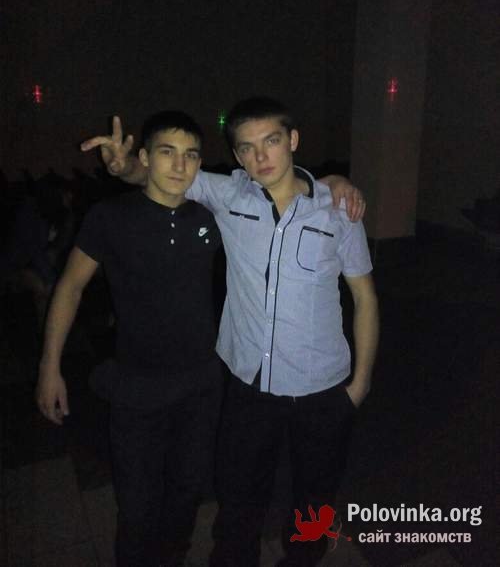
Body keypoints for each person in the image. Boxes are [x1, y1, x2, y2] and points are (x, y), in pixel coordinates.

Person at [82, 98, 377, 566]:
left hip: (323, 387)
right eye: (247, 147)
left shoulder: (338, 210)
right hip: (248, 385)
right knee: (239, 493)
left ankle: (303, 559)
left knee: (316, 495)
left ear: (292, 140)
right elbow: (163, 177)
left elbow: (365, 298)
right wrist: (124, 168)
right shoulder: (229, 196)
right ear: (237, 156)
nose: (261, 156)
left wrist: (360, 384)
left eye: (271, 141)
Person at [36, 111, 223, 567]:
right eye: (167, 152)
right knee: (137, 507)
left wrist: (332, 184)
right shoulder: (111, 217)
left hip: (201, 387)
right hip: (138, 387)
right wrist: (49, 366)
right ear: (145, 157)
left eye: (190, 155)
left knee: (186, 496)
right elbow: (70, 287)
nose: (179, 165)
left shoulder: (212, 218)